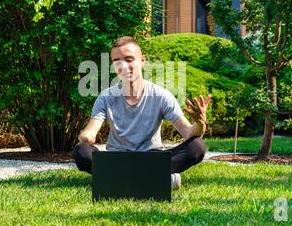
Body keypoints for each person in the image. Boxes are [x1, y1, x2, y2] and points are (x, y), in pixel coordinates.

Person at [73, 36, 211, 190]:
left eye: (129, 59)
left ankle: (117, 178)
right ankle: (154, 179)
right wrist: (86, 136)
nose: (123, 66)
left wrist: (200, 123)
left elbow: (189, 133)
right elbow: (90, 132)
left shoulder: (161, 96)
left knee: (197, 146)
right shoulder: (106, 97)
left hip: (152, 158)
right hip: (117, 159)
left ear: (142, 61)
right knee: (81, 151)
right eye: (117, 61)